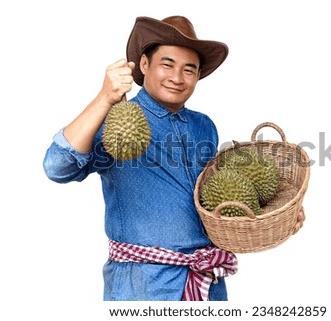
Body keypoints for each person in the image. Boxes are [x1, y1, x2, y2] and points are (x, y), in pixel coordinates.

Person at [43, 16, 237, 301]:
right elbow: (57, 167)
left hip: (207, 281)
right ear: (144, 65)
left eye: (189, 70)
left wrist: (268, 213)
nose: (177, 78)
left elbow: (214, 201)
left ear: (198, 76)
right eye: (167, 64)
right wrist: (105, 98)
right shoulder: (114, 120)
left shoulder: (204, 126)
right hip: (142, 286)